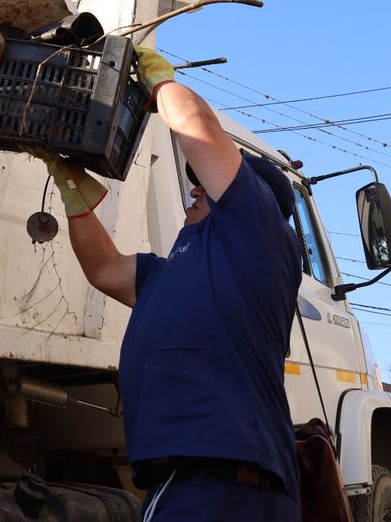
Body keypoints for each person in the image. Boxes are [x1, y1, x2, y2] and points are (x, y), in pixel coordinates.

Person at [28, 48, 302, 521]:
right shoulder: (169, 271)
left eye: (207, 185)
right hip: (186, 483)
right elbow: (104, 268)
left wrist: (159, 84)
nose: (195, 189)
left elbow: (198, 128)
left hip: (228, 485)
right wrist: (72, 189)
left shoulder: (260, 237)